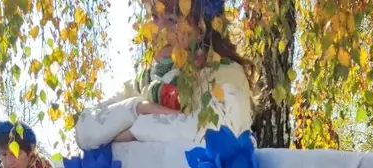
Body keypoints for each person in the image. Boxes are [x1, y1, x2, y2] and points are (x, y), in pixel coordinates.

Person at [75, 0, 253, 149]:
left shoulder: (225, 75)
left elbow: (211, 136)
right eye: (154, 17)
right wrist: (139, 108)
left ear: (201, 28)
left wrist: (134, 131)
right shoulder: (146, 80)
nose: (158, 29)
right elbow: (85, 128)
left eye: (171, 20)